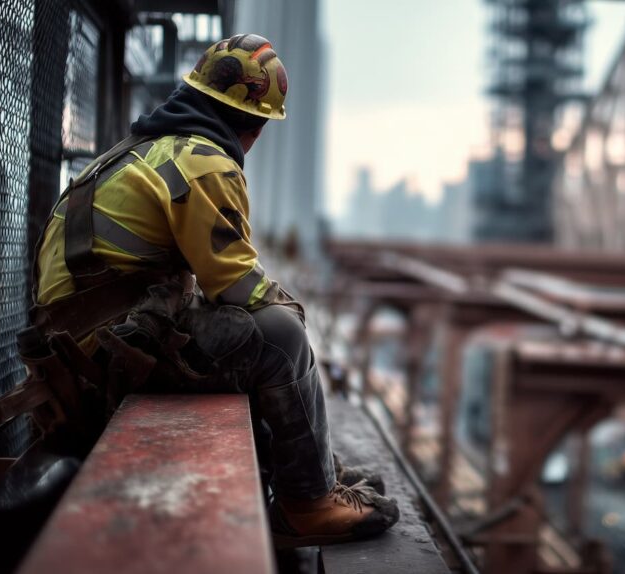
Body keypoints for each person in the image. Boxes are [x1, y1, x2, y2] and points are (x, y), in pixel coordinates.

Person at [31, 34, 399, 547]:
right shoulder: (205, 161)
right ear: (257, 125)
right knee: (279, 335)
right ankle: (308, 505)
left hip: (83, 353)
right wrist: (293, 315)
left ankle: (318, 475)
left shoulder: (135, 151)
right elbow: (237, 286)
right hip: (105, 360)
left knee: (242, 337)